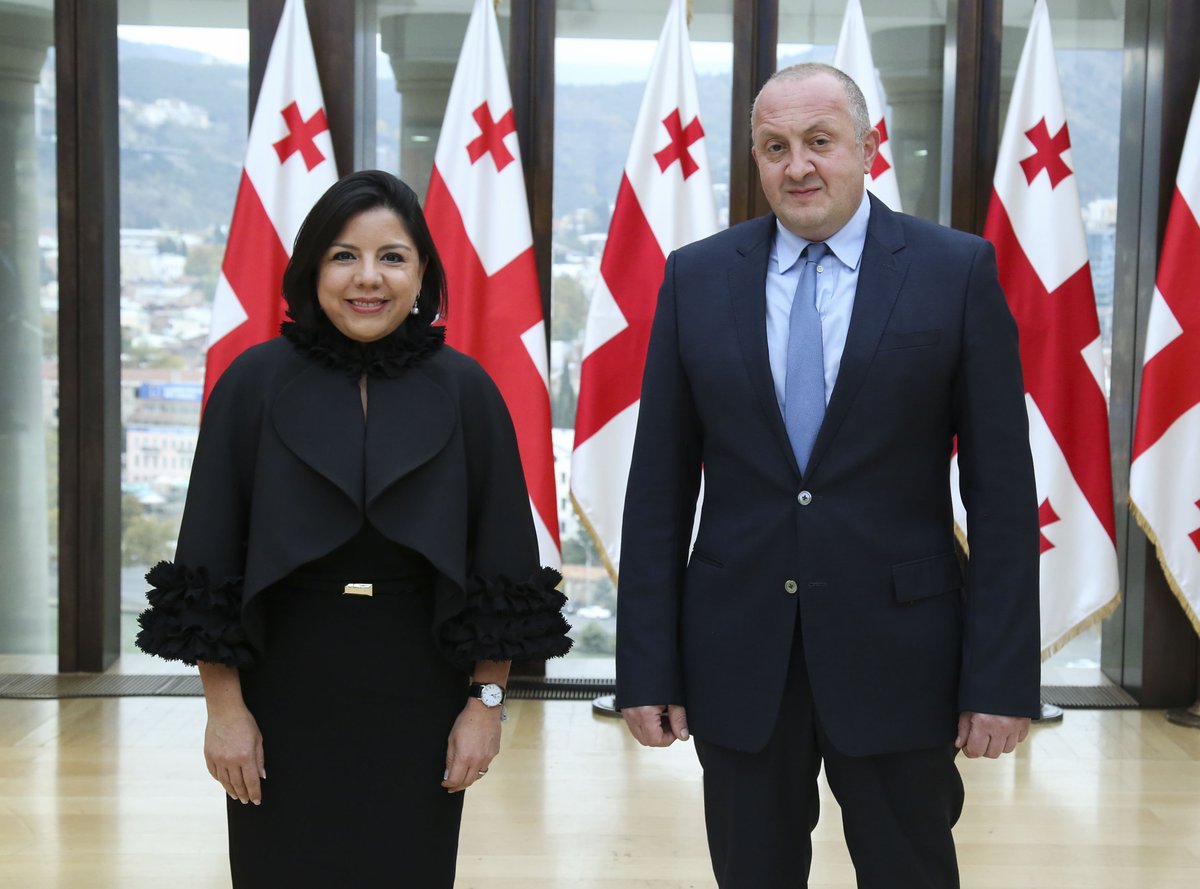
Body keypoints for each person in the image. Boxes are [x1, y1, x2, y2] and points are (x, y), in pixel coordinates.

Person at [616, 63, 1040, 889]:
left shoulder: (955, 271)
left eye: (820, 141)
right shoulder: (696, 278)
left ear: (869, 148)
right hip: (739, 654)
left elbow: (1002, 498)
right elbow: (657, 493)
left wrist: (1000, 678)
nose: (798, 165)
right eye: (775, 147)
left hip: (902, 655)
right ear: (754, 158)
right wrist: (648, 665)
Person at [136, 170, 572, 888]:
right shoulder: (251, 383)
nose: (368, 277)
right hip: (281, 692)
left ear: (422, 273)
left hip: (421, 693)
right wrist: (225, 711)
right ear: (312, 269)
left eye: (392, 257)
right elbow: (209, 563)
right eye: (344, 255)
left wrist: (485, 705)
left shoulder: (468, 391)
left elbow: (504, 569)